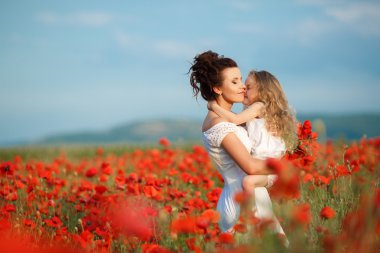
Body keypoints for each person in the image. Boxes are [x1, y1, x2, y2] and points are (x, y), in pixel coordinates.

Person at [189, 51, 287, 238]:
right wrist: (282, 165)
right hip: (242, 203)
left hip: (248, 196)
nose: (243, 87)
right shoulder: (220, 125)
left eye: (241, 80)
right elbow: (250, 166)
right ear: (218, 89)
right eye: (234, 82)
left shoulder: (227, 120)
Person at [208, 70, 298, 197]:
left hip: (267, 166)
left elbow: (235, 120)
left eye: (248, 87)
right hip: (266, 166)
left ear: (263, 92)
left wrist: (214, 107)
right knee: (249, 182)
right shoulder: (257, 111)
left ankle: (251, 213)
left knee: (247, 182)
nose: (244, 89)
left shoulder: (259, 106)